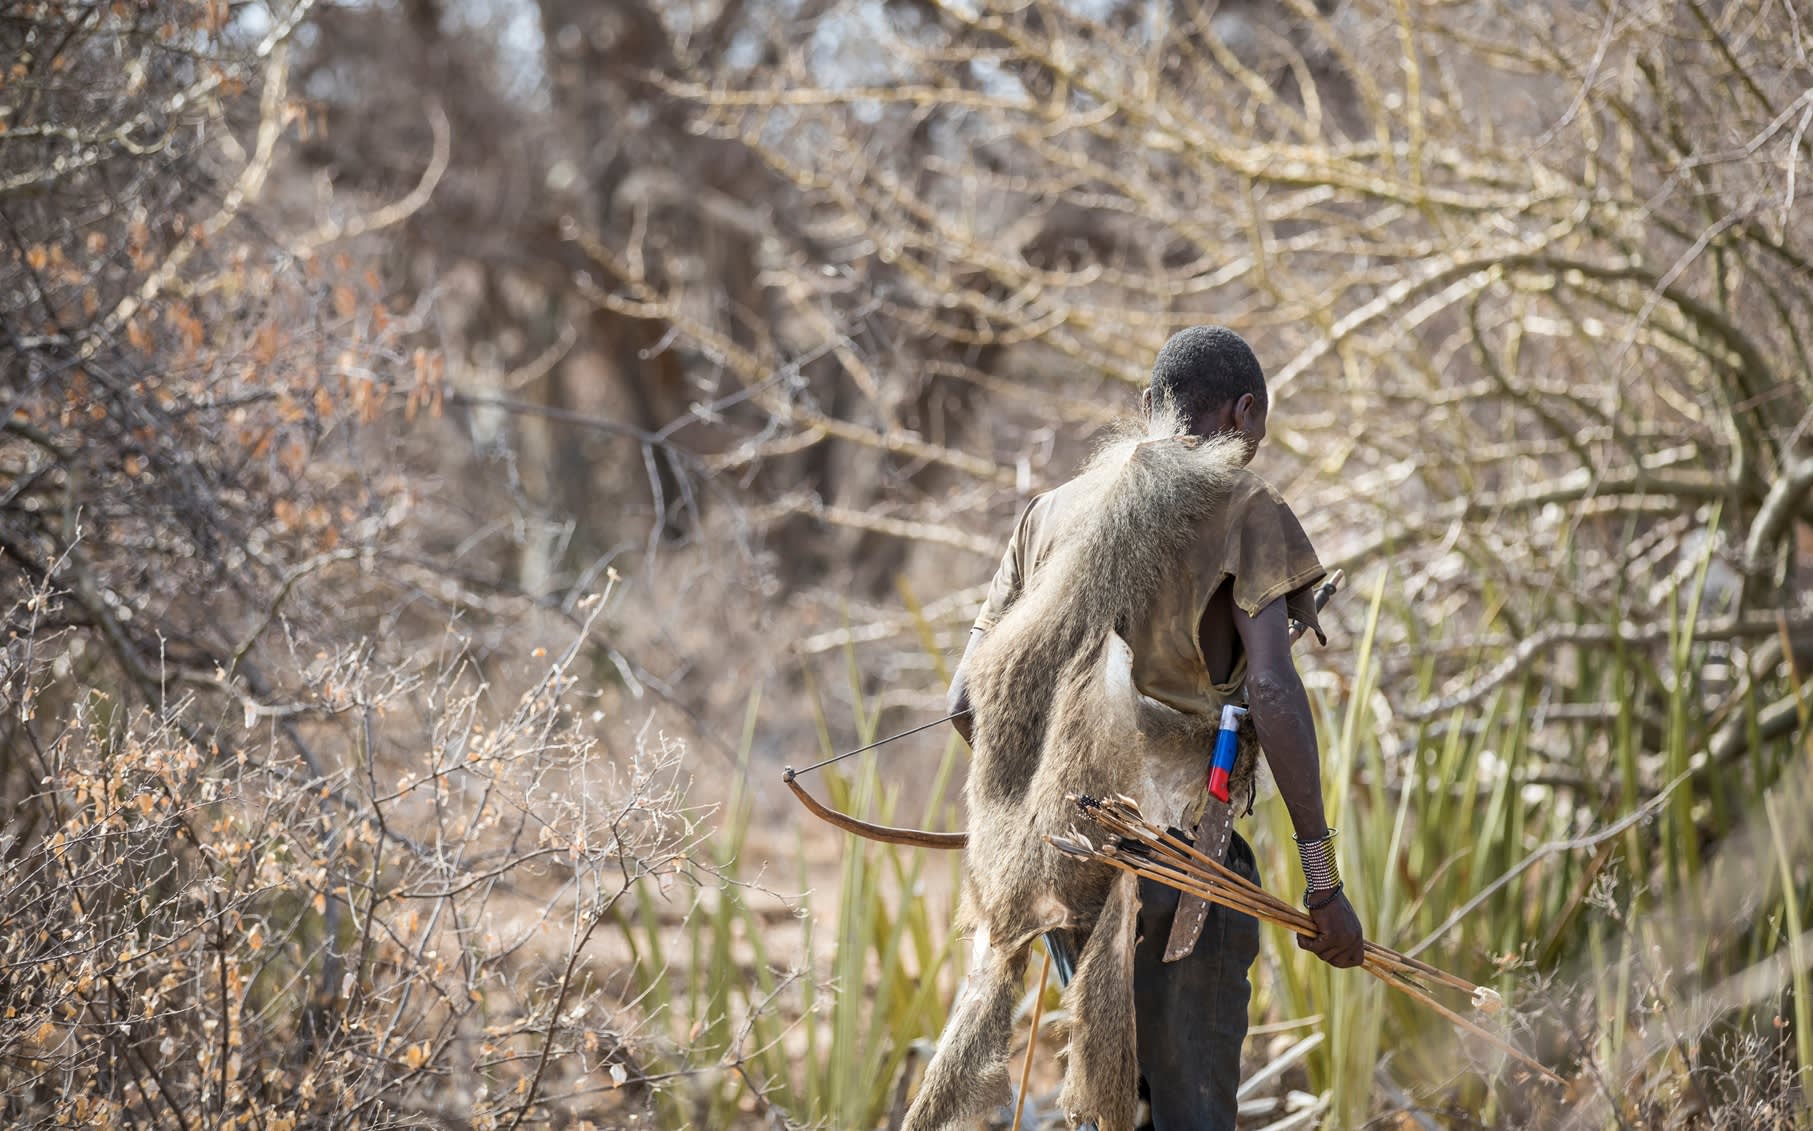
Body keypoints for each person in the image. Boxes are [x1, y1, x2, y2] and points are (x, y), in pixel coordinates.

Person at [945, 326, 1364, 1130]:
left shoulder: (1048, 514)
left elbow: (967, 701)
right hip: (1185, 866)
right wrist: (1322, 881)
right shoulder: (1247, 508)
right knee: (1189, 1114)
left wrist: (1047, 809)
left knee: (1115, 1113)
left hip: (1067, 871)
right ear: (1244, 414)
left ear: (1148, 407)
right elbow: (1272, 692)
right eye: (1257, 431)